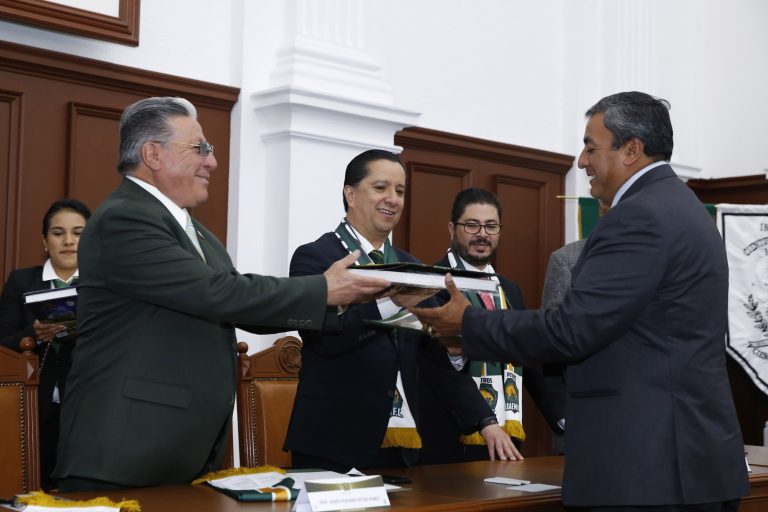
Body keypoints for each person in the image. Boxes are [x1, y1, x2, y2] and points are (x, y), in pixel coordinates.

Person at [411, 91, 749, 510]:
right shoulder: (687, 209)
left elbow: (573, 329)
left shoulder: (640, 215)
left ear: (631, 150)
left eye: (590, 147)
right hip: (685, 461)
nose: (581, 161)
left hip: (647, 468)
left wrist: (468, 324)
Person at [54, 97, 390, 492]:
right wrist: (323, 289)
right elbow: (216, 293)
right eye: (200, 148)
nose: (212, 161)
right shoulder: (124, 218)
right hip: (126, 449)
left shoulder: (193, 231)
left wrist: (336, 299)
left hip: (179, 448)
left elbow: (238, 305)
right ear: (152, 154)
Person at [284, 150, 516, 472]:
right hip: (333, 442)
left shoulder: (413, 268)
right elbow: (324, 340)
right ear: (351, 195)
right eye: (381, 188)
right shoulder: (316, 257)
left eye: (400, 191)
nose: (393, 199)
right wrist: (391, 301)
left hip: (402, 446)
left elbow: (435, 358)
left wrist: (485, 420)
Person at [419, 188, 565, 464]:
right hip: (452, 437)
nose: (482, 234)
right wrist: (485, 421)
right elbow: (435, 365)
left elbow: (528, 360)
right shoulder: (431, 284)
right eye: (472, 225)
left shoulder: (509, 290)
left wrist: (563, 418)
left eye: (491, 226)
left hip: (506, 438)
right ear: (452, 228)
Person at [0, 198, 91, 489]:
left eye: (78, 233)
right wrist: (34, 334)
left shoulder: (103, 284)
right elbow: (2, 343)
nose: (68, 241)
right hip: (32, 405)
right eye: (58, 232)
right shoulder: (21, 281)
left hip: (88, 402)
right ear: (44, 240)